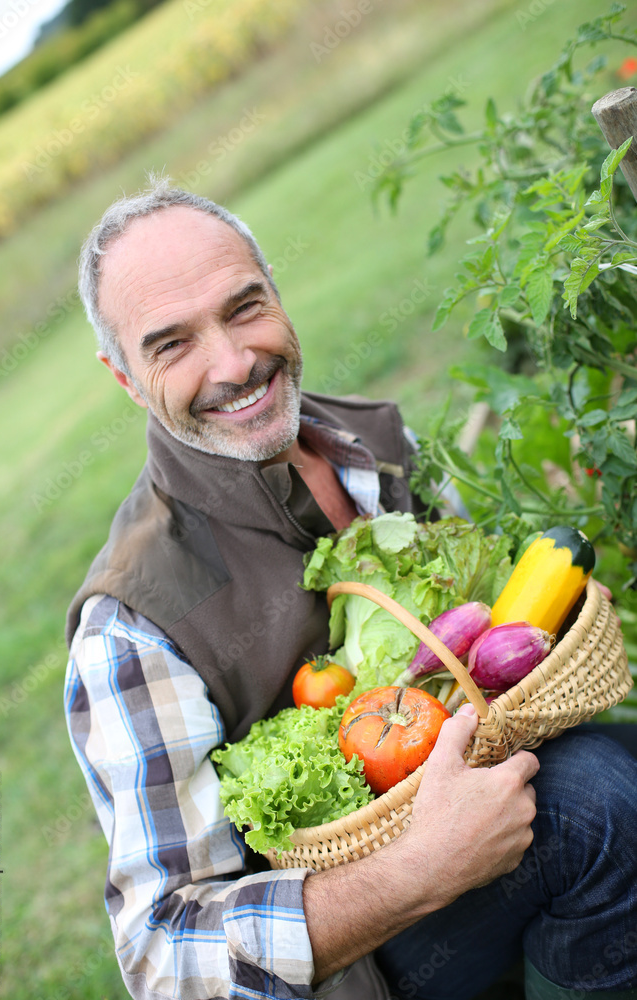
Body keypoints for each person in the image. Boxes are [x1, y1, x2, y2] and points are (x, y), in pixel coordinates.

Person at [64, 178, 637, 1000]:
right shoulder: (131, 625)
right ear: (124, 379)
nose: (233, 363)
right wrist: (417, 870)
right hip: (357, 965)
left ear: (277, 292)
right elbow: (163, 961)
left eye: (243, 306)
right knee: (591, 803)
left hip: (491, 810)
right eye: (171, 344)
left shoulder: (372, 438)